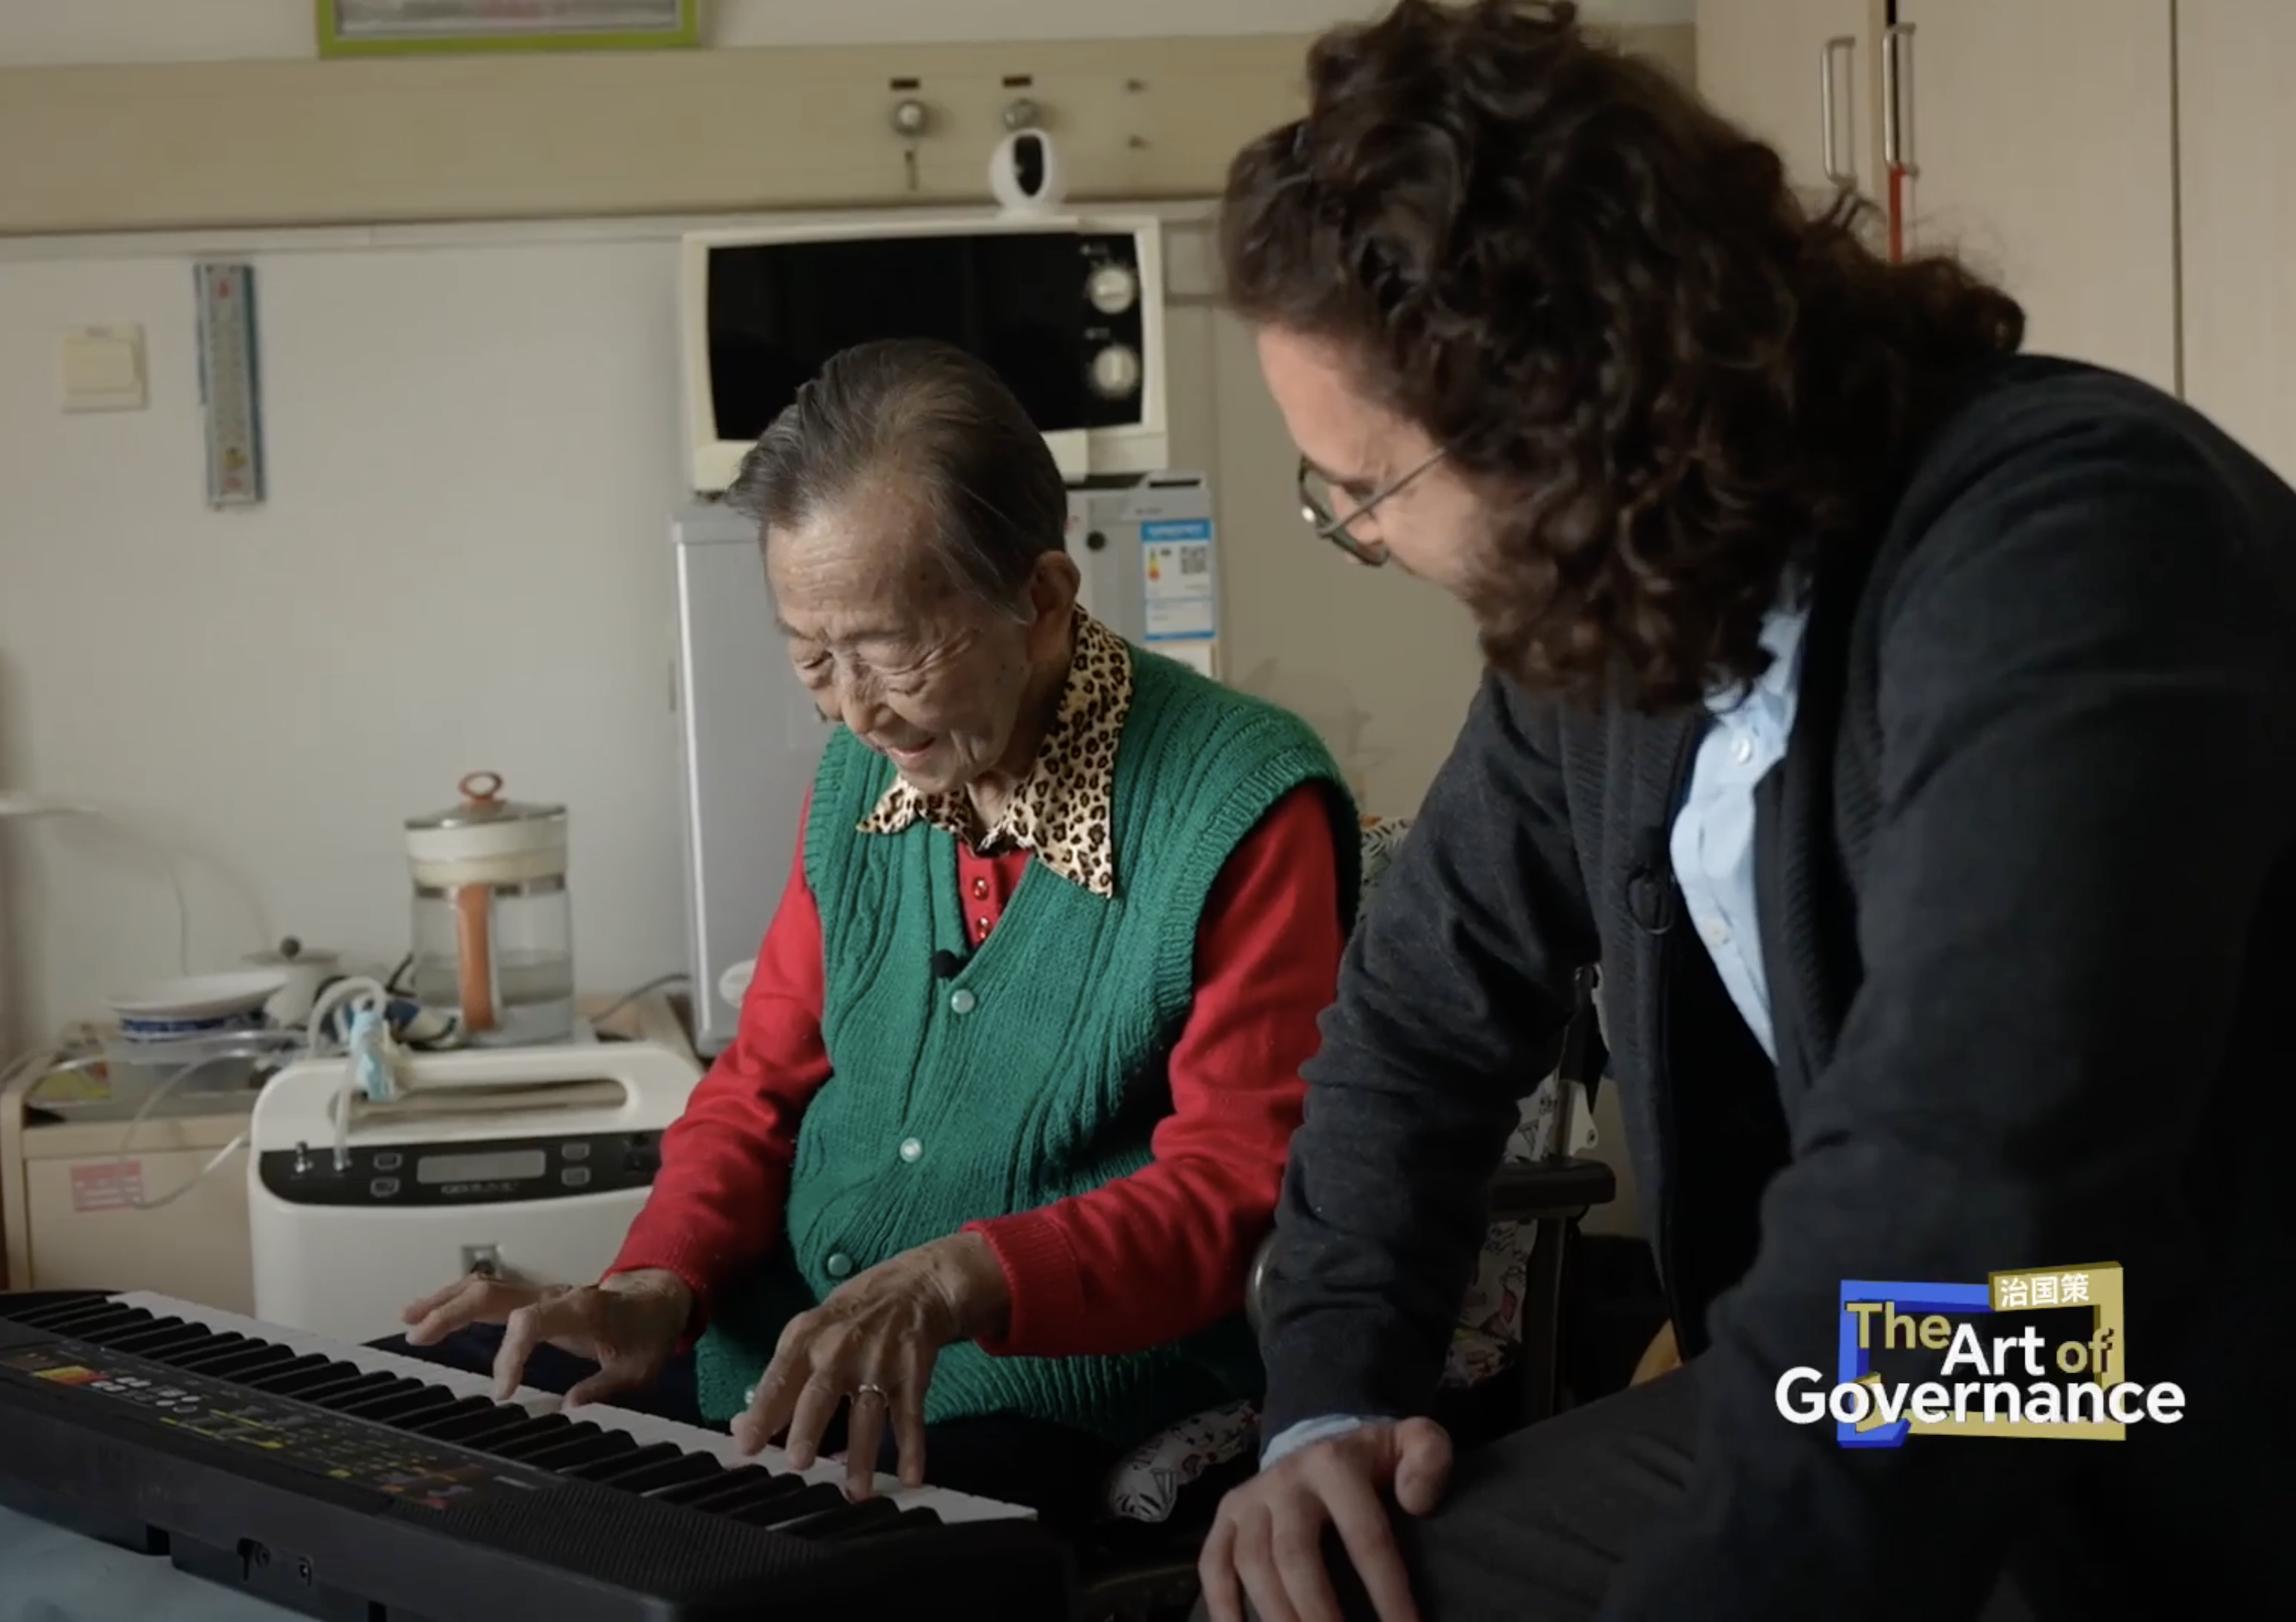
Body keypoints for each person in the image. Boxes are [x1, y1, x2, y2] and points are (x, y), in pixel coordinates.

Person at [1193, 2, 2296, 1620]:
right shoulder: (1617, 612)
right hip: (1920, 1340)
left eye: (1364, 493)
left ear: (1560, 418)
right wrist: (1331, 1409)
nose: (1368, 541)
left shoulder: (2072, 547)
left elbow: (1970, 1189)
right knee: (1342, 1586)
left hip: (2169, 1358)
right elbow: (1418, 1021)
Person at [388, 336, 1363, 1522]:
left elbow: (1235, 1187)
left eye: (889, 649)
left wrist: (963, 1280)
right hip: (775, 1353)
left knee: (725, 1566)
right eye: (811, 654)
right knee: (415, 1436)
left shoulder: (1239, 804)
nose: (851, 708)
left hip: (1046, 1396)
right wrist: (655, 1283)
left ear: (1042, 602)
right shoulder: (866, 780)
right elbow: (761, 1088)